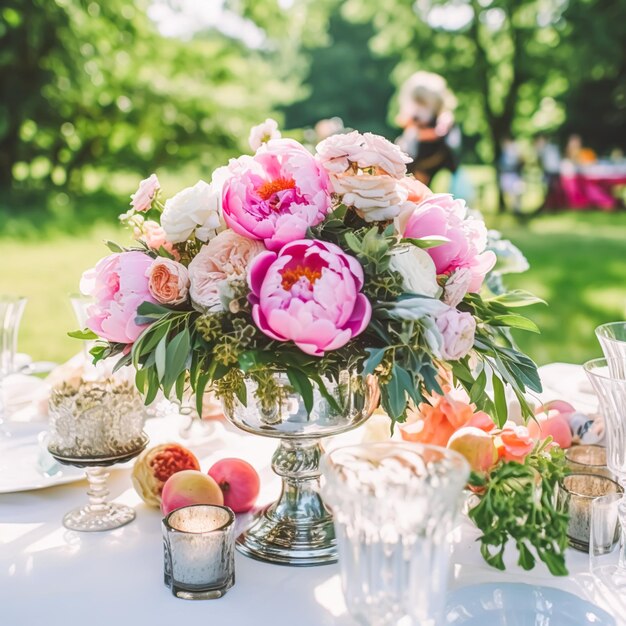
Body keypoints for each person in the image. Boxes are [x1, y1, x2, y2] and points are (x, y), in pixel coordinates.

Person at [395, 72, 459, 186]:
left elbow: (439, 133)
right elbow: (402, 120)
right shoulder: (416, 116)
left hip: (436, 156)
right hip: (418, 159)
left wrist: (419, 132)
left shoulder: (443, 117)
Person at [498, 136, 524, 214]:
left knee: (517, 192)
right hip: (508, 174)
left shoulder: (514, 150)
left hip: (514, 174)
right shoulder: (505, 152)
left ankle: (516, 209)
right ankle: (514, 208)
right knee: (511, 193)